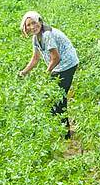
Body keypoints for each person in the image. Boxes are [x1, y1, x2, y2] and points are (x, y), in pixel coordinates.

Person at [18, 10, 79, 138]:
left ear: (40, 21)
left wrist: (47, 72)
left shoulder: (47, 35)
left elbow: (56, 58)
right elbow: (35, 58)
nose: (32, 27)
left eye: (34, 23)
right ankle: (59, 128)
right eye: (28, 25)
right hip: (58, 67)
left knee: (58, 98)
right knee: (52, 97)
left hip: (67, 65)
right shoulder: (36, 37)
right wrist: (24, 72)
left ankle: (66, 134)